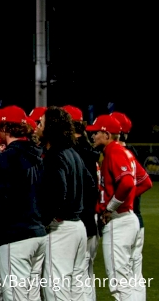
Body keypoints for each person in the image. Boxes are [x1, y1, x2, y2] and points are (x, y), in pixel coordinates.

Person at [0, 105, 46, 301]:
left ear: (7, 128)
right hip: (38, 233)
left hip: (15, 236)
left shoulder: (7, 156)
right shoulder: (37, 153)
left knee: (14, 296)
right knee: (32, 295)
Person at [36, 106, 92, 301]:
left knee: (55, 285)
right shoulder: (72, 153)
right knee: (77, 287)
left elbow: (58, 193)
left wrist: (43, 220)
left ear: (50, 128)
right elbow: (91, 186)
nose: (37, 127)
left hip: (61, 227)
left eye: (41, 123)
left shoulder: (55, 155)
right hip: (78, 226)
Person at [86, 114, 138, 301]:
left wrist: (110, 207)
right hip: (126, 218)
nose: (93, 137)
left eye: (96, 133)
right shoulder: (121, 151)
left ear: (107, 135)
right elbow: (142, 181)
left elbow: (127, 183)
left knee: (120, 283)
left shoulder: (114, 151)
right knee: (125, 279)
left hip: (119, 220)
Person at [109, 111, 153, 301]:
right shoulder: (131, 150)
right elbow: (145, 182)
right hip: (136, 220)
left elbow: (133, 184)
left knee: (123, 278)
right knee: (135, 273)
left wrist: (122, 199)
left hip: (124, 218)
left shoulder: (118, 153)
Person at [63, 104, 101, 301]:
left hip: (76, 220)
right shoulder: (89, 151)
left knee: (73, 278)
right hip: (89, 221)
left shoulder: (70, 152)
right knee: (85, 275)